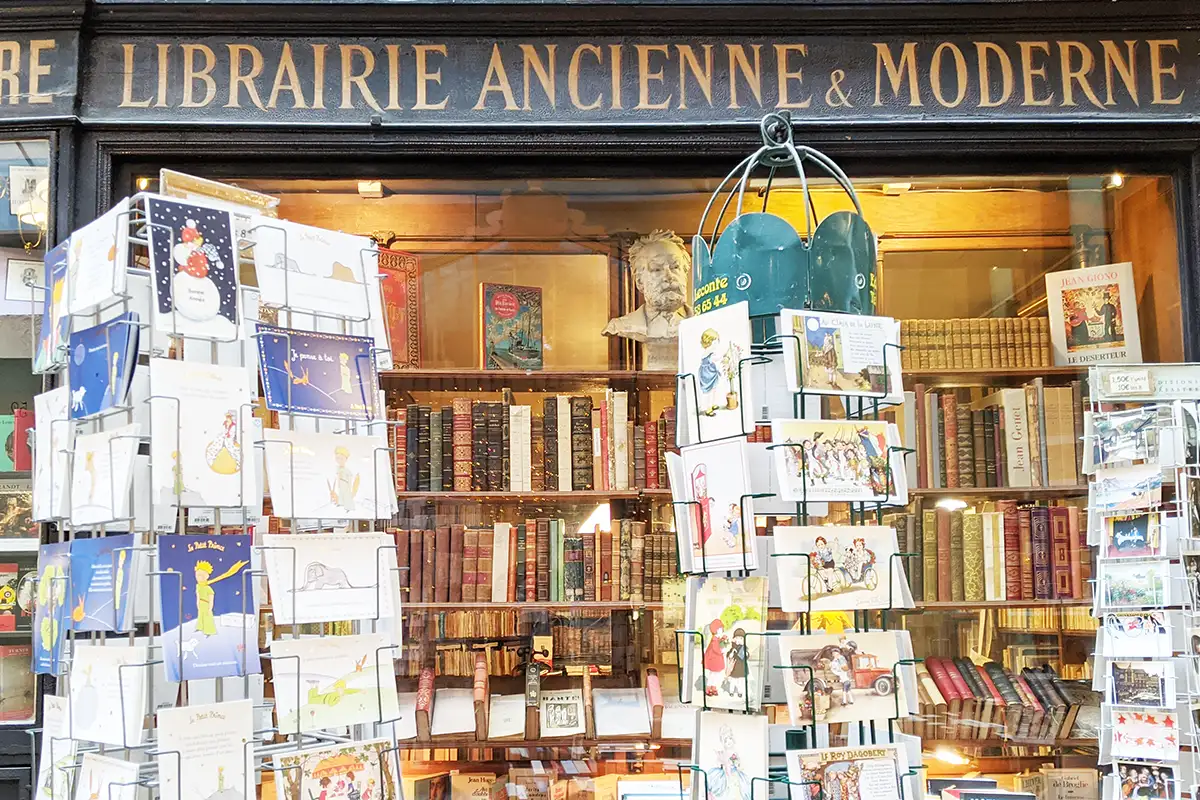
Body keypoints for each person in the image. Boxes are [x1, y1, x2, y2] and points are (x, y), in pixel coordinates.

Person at [602, 230, 691, 371]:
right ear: (639, 282)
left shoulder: (704, 324)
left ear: (685, 273)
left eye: (675, 267)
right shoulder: (620, 327)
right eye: (656, 269)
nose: (669, 276)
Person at [193, 557, 249, 636]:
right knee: (200, 614)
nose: (199, 577)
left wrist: (210, 607)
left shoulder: (208, 588)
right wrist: (198, 603)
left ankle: (209, 631)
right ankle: (200, 627)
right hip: (201, 604)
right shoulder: (198, 586)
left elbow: (211, 598)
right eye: (197, 575)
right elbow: (198, 595)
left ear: (207, 576)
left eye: (201, 575)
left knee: (208, 616)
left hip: (206, 604)